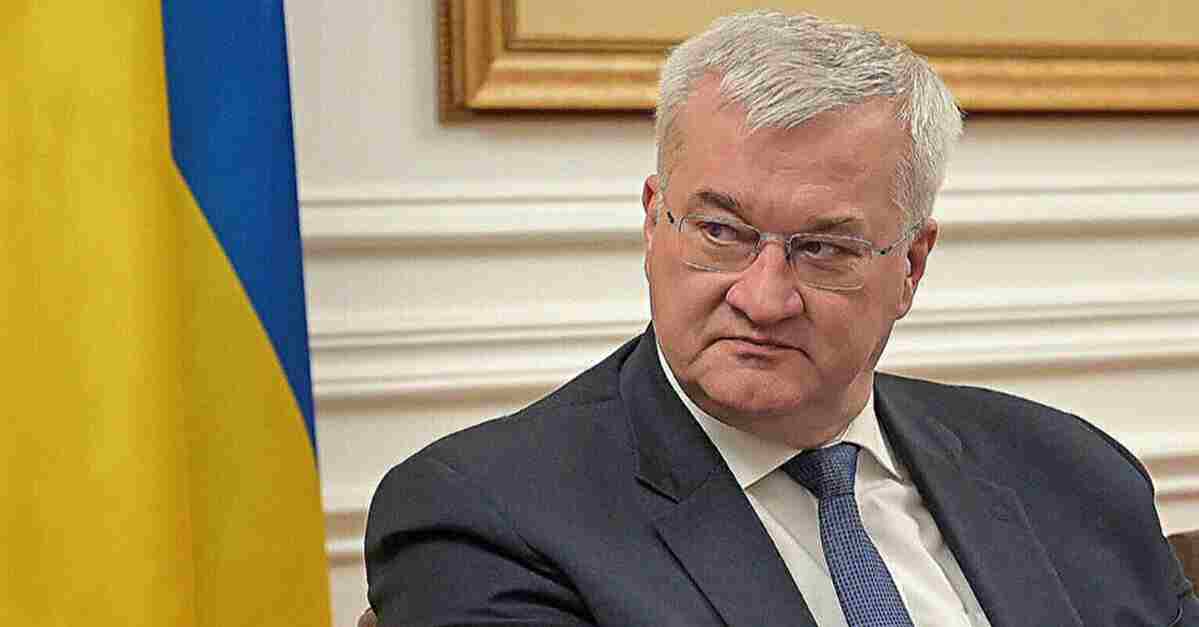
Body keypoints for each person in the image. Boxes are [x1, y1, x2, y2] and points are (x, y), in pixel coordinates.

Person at [364, 10, 1197, 626]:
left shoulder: (1069, 471)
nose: (762, 298)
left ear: (909, 265)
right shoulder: (487, 515)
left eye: (823, 248)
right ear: (653, 223)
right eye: (720, 232)